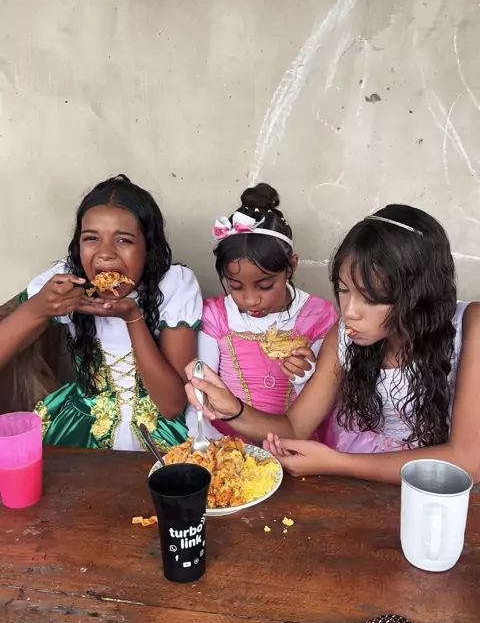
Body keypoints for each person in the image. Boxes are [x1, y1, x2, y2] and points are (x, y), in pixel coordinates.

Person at [185, 204, 480, 484]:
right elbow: (294, 428)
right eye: (343, 289)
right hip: (356, 486)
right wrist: (231, 408)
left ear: (418, 294)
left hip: (436, 488)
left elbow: (468, 461)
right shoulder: (343, 337)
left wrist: (336, 463)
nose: (349, 311)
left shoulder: (471, 327)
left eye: (371, 298)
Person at [0, 174, 202, 451]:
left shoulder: (173, 285)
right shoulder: (66, 280)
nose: (105, 253)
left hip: (161, 432)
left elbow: (171, 406)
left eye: (124, 240)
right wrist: (38, 309)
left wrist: (133, 318)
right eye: (91, 238)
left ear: (149, 248)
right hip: (79, 428)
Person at [186, 183, 337, 442]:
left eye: (265, 286)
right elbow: (203, 390)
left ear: (291, 267)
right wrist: (206, 437)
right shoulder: (217, 316)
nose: (251, 300)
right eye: (235, 286)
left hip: (293, 443)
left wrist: (306, 377)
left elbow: (325, 403)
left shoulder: (317, 317)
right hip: (227, 442)